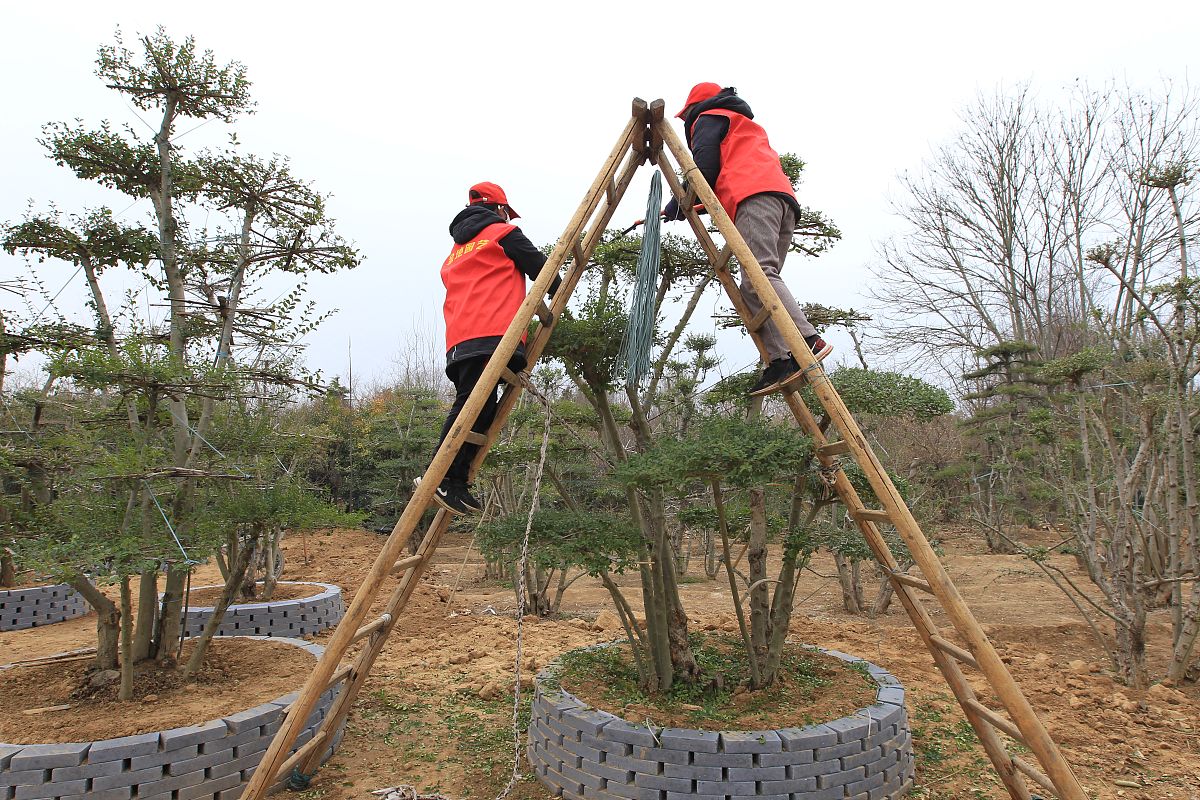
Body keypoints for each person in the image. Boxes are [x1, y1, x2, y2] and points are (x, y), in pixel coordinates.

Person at [664, 82, 832, 396]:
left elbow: (704, 169)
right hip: (780, 201)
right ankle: (781, 360)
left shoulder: (709, 116)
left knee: (760, 275)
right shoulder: (741, 124)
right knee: (754, 284)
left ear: (694, 108)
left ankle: (808, 341)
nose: (687, 123)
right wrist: (676, 210)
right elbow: (716, 182)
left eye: (687, 116)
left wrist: (678, 202)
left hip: (753, 197)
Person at [420, 182, 560, 515]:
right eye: (505, 212)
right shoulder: (502, 234)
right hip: (494, 331)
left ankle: (455, 482)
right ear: (498, 209)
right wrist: (559, 286)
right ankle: (437, 477)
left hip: (460, 337)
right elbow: (544, 272)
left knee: (479, 406)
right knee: (473, 404)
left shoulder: (457, 249)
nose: (507, 217)